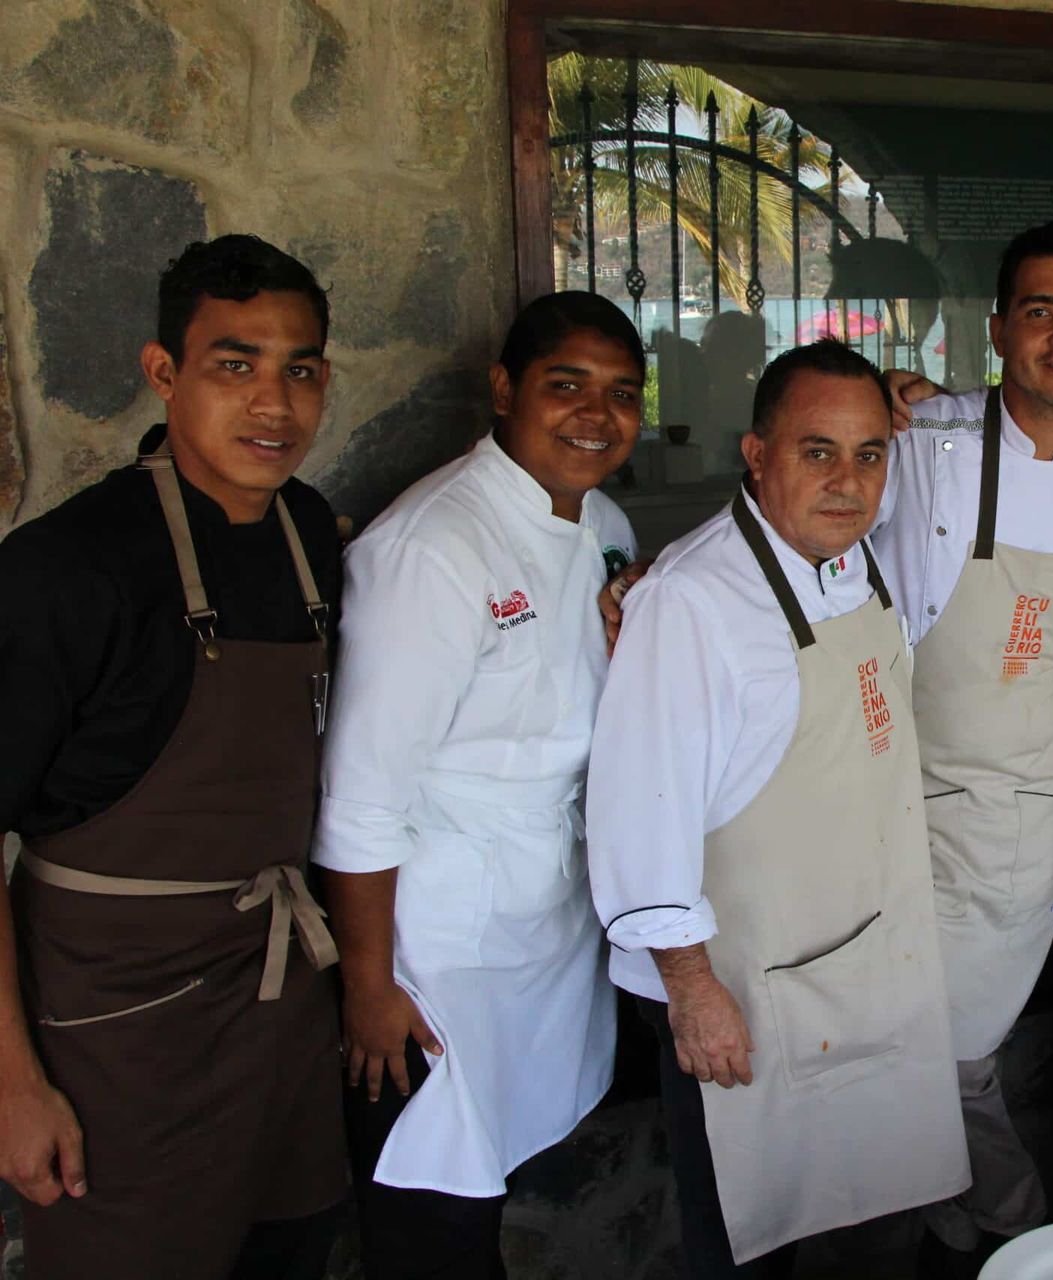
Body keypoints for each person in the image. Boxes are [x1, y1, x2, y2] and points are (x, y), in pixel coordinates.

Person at [0, 235, 347, 1278]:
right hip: (117, 1033)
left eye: (299, 370)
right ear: (164, 373)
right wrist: (13, 1086)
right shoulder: (65, 570)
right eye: (234, 365)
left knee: (289, 1250)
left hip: (283, 1014)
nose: (272, 403)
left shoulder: (313, 541)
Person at [587, 340, 968, 1277]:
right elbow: (641, 814)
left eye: (870, 454)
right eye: (817, 452)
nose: (848, 482)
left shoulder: (864, 563)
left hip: (861, 962)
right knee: (750, 1233)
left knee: (855, 1211)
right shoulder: (691, 601)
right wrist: (692, 990)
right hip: (743, 991)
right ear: (757, 455)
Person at [310, 292, 643, 1276]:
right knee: (432, 1214)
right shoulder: (433, 547)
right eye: (565, 384)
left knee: (494, 1181)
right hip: (436, 947)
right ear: (504, 391)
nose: (596, 412)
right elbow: (364, 794)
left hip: (546, 920)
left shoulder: (610, 527)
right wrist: (370, 985)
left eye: (622, 392)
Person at [873, 223, 1053, 1274]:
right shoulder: (918, 435)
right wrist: (883, 389)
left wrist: (1038, 777)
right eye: (1039, 310)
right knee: (904, 1045)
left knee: (949, 1047)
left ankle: (998, 1216)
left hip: (1016, 820)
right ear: (997, 330)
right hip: (889, 798)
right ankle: (970, 1224)